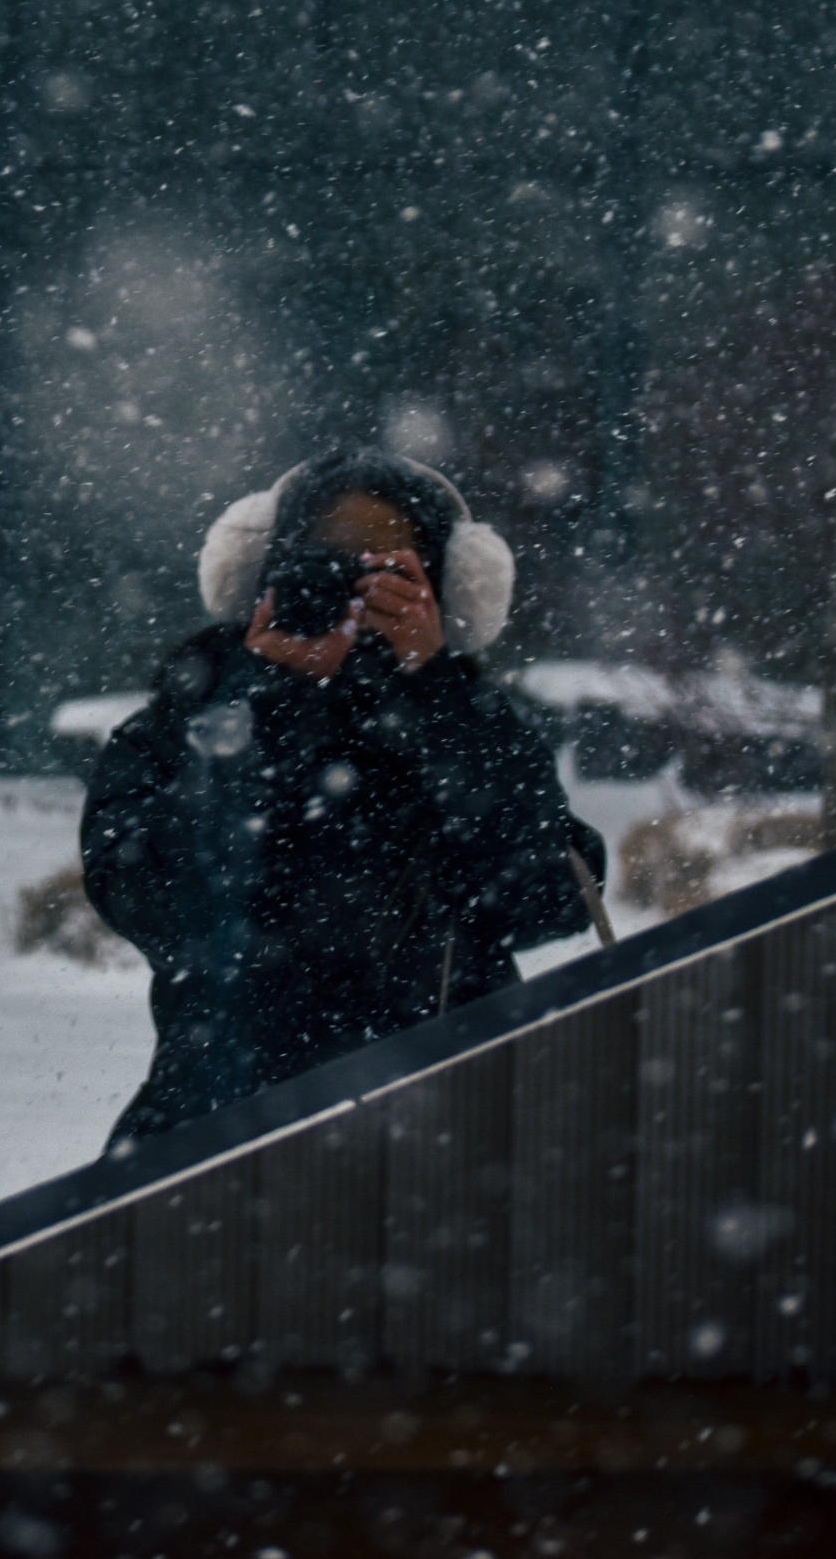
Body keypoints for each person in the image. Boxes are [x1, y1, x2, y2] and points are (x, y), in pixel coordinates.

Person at [81, 448, 603, 1145]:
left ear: (446, 589)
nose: (347, 590)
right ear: (261, 577)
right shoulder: (188, 725)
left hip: (451, 1128)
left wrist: (435, 693)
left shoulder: (470, 723)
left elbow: (547, 897)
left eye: (383, 572)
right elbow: (147, 899)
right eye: (322, 564)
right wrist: (262, 712)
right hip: (224, 1130)